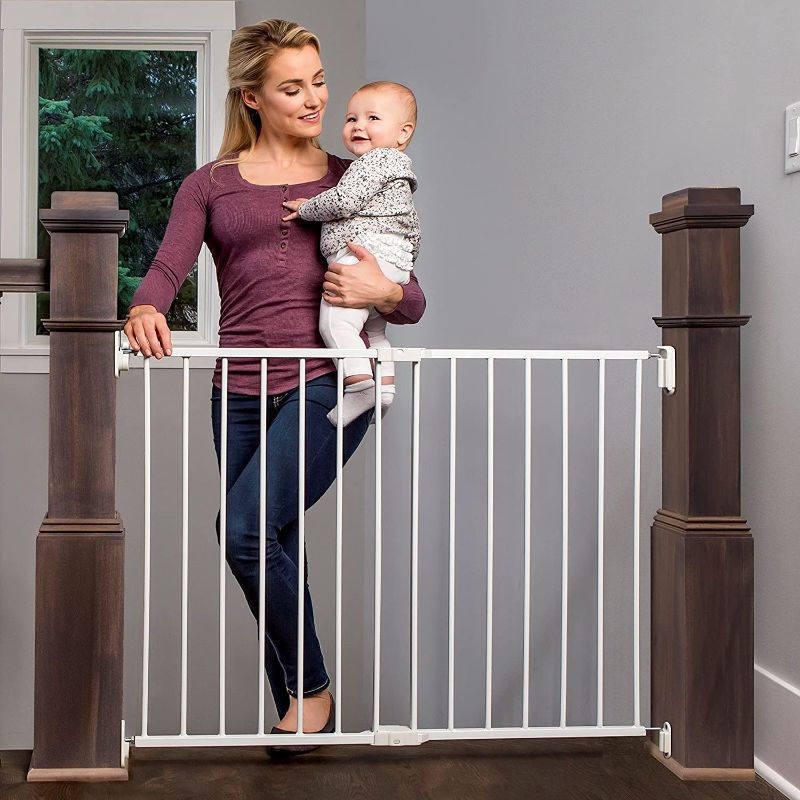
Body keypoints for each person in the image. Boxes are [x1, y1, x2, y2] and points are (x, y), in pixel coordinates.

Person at [122, 19, 426, 755]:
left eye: (320, 81)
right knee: (273, 536)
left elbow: (411, 300)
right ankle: (297, 703)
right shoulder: (210, 184)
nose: (317, 98)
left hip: (329, 378)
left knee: (245, 530)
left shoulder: (353, 174)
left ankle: (310, 688)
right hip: (238, 389)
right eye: (294, 87)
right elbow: (167, 266)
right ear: (252, 97)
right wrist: (143, 306)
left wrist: (383, 290)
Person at [281, 81, 420, 427]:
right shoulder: (396, 169)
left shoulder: (375, 162)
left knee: (335, 322)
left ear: (403, 133)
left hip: (361, 258)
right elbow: (412, 229)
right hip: (392, 262)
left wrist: (308, 208)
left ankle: (359, 386)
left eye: (373, 117)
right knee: (374, 333)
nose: (359, 126)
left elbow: (343, 200)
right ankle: (385, 389)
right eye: (351, 118)